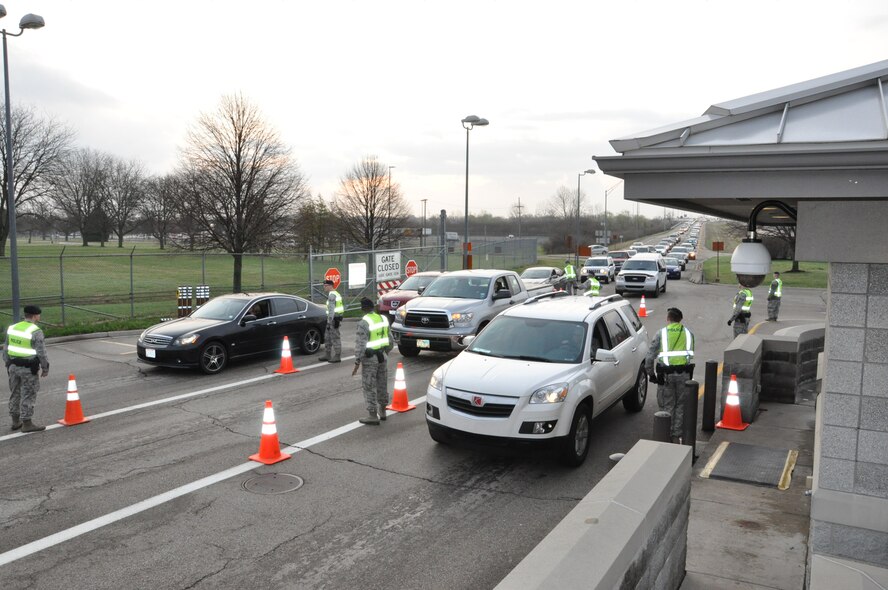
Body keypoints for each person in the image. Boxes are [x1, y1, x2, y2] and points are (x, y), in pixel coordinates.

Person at [645, 307, 695, 444]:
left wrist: (651, 374)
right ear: (680, 320)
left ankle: (665, 437)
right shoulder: (689, 333)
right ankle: (676, 436)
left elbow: (649, 357)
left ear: (668, 319)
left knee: (667, 406)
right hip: (684, 375)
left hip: (666, 377)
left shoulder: (661, 333)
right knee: (680, 406)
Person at [3, 305, 50, 432]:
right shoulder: (35, 331)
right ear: (35, 316)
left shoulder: (12, 328)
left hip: (13, 366)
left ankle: (15, 421)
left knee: (15, 393)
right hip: (28, 368)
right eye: (39, 315)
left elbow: (5, 348)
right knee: (28, 393)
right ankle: (27, 423)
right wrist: (45, 368)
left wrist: (8, 364)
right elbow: (41, 352)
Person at [351, 297, 394, 425]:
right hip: (382, 356)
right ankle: (383, 411)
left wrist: (357, 361)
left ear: (363, 308)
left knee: (369, 386)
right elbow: (390, 340)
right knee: (382, 384)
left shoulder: (364, 322)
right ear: (373, 307)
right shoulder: (383, 319)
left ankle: (372, 414)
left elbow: (360, 344)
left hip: (370, 359)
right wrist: (385, 352)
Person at [319, 279, 344, 362]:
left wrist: (329, 322)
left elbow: (331, 310)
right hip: (334, 319)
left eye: (325, 286)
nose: (324, 287)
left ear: (330, 286)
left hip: (333, 320)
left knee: (335, 338)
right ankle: (328, 354)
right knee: (327, 337)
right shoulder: (335, 294)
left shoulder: (332, 295)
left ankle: (337, 356)